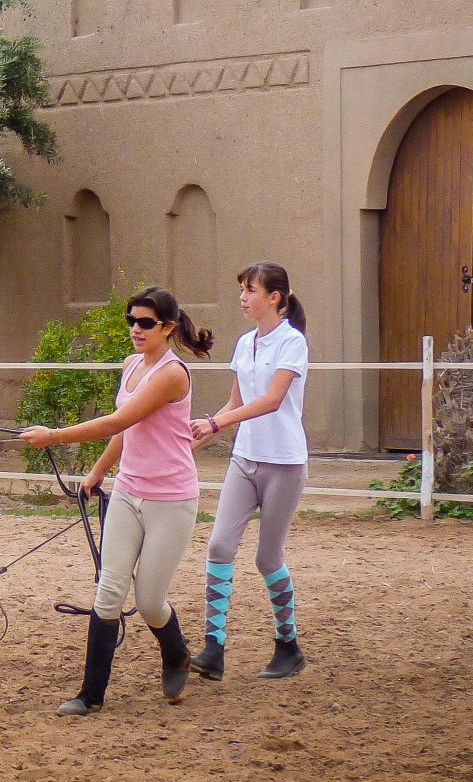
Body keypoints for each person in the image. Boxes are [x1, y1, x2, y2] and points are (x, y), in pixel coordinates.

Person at [21, 286, 213, 716]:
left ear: (167, 327)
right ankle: (91, 694)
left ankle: (176, 650)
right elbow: (126, 433)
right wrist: (99, 471)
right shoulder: (131, 367)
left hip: (171, 498)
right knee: (109, 591)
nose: (135, 329)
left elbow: (120, 418)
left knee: (148, 600)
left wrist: (53, 436)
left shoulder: (172, 373)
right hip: (129, 491)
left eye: (145, 322)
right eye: (131, 321)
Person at [187, 261, 310, 681]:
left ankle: (287, 644)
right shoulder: (245, 345)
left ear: (274, 298)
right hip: (246, 458)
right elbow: (235, 403)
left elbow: (273, 400)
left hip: (284, 463)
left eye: (250, 290)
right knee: (220, 545)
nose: (243, 297)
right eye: (242, 288)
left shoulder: (292, 343)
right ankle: (213, 648)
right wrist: (196, 437)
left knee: (267, 557)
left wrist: (218, 424)